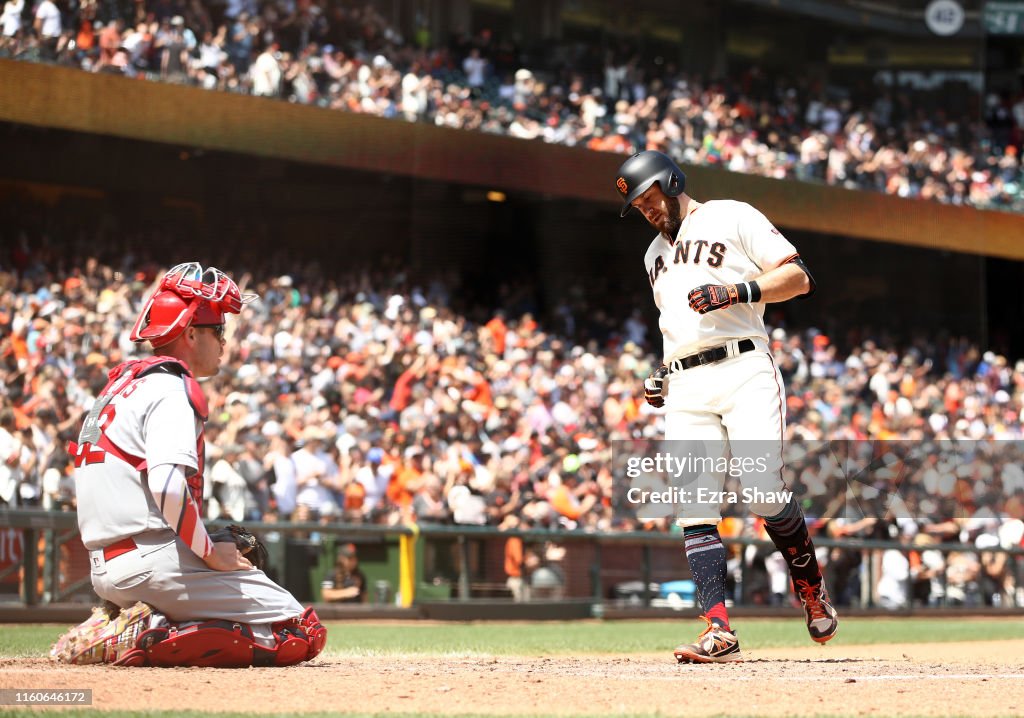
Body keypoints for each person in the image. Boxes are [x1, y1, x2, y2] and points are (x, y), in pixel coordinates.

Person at [615, 150, 838, 663]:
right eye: (639, 207)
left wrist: (737, 289)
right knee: (695, 504)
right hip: (687, 386)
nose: (647, 211)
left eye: (650, 198)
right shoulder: (653, 256)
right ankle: (718, 629)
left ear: (672, 182)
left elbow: (798, 277)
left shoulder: (732, 214)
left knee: (762, 490)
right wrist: (662, 374)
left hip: (744, 369)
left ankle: (809, 585)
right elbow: (680, 331)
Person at [52, 262, 326, 667]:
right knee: (298, 631)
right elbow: (166, 487)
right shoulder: (170, 387)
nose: (224, 342)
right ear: (190, 332)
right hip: (150, 562)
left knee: (230, 546)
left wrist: (208, 542)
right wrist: (212, 556)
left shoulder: (122, 386)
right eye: (218, 331)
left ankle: (130, 618)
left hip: (109, 568)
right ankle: (142, 631)